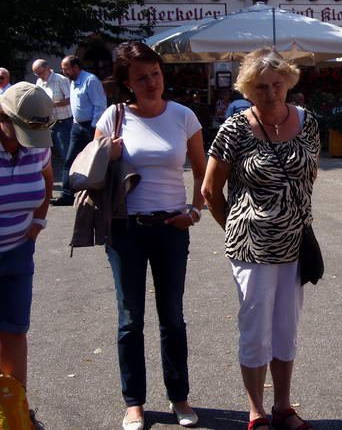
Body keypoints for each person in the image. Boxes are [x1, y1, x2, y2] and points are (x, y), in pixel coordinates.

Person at [202, 48, 319, 430]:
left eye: (277, 84)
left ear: (288, 81)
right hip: (251, 248)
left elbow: (307, 177)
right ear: (249, 90)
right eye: (261, 87)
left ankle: (283, 406)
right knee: (256, 330)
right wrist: (238, 227)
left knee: (287, 328)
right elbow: (209, 191)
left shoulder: (308, 122)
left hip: (295, 244)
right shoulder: (234, 129)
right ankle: (256, 411)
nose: (271, 93)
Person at [95, 42, 206, 430]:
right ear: (126, 82)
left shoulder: (183, 116)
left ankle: (180, 398)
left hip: (171, 229)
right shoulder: (114, 117)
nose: (151, 82)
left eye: (155, 73)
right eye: (141, 77)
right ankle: (134, 403)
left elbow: (201, 170)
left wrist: (194, 210)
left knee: (172, 317)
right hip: (126, 230)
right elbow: (93, 176)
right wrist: (107, 154)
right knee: (130, 320)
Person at [0, 83, 54, 425]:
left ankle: (15, 410)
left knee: (14, 332)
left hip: (19, 252)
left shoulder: (38, 148)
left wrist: (38, 221)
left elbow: (47, 180)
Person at [51, 55, 106, 206]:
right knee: (70, 160)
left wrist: (95, 128)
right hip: (77, 126)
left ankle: (98, 193)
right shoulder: (73, 82)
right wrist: (76, 122)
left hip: (91, 126)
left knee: (94, 161)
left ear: (76, 67)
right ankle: (67, 195)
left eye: (66, 68)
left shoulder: (91, 81)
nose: (64, 72)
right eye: (62, 69)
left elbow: (100, 105)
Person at [33, 59, 73, 163]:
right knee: (48, 155)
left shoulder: (61, 80)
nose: (39, 76)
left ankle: (71, 177)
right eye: (36, 74)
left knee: (66, 153)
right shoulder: (39, 82)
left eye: (40, 73)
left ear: (47, 68)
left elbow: (70, 100)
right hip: (48, 122)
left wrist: (52, 104)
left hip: (63, 122)